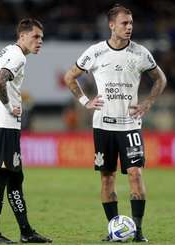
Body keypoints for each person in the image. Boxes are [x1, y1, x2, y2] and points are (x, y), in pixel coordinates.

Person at [64, 4, 167, 243]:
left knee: (135, 174)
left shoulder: (140, 53)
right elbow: (70, 76)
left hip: (130, 125)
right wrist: (84, 101)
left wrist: (148, 102)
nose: (129, 27)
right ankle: (114, 229)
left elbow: (160, 78)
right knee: (107, 177)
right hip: (103, 126)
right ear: (112, 25)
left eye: (131, 23)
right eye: (124, 23)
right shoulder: (96, 52)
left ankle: (138, 231)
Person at [0, 18, 52, 244]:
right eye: (35, 37)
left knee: (15, 177)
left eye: (42, 38)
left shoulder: (6, 52)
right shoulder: (17, 56)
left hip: (3, 122)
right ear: (22, 36)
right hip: (3, 123)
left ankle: (26, 231)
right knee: (0, 177)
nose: (40, 41)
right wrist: (8, 107)